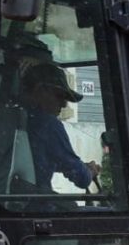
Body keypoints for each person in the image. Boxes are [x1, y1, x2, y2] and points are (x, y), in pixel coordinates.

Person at [20, 62, 99, 192]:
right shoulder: (47, 124)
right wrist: (90, 171)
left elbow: (37, 162)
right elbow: (81, 178)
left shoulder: (16, 118)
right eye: (59, 95)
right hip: (36, 200)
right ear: (40, 90)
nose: (64, 104)